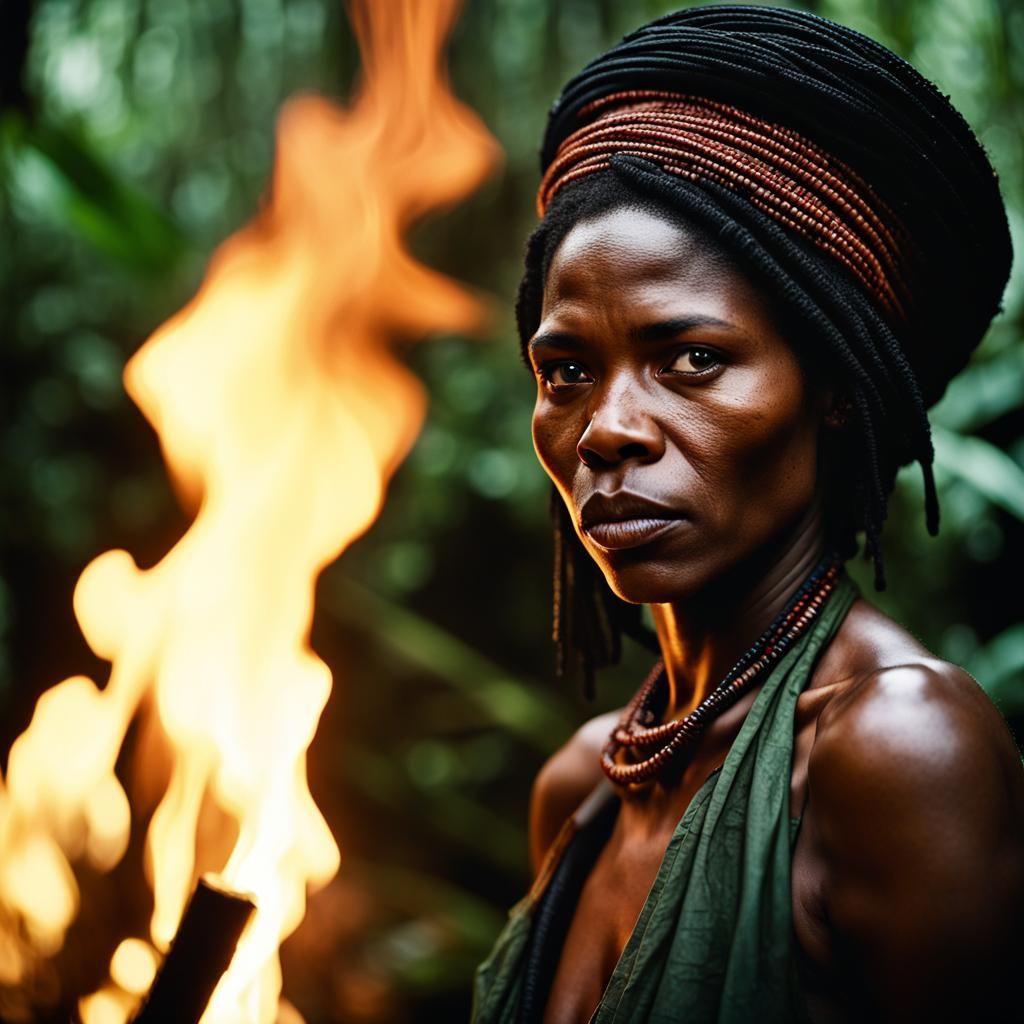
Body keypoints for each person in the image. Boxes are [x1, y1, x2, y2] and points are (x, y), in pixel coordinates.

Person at [470, 6, 1024, 1024]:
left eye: (692, 358)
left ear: (835, 385)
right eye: (567, 371)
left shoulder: (896, 751)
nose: (607, 431)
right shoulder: (579, 791)